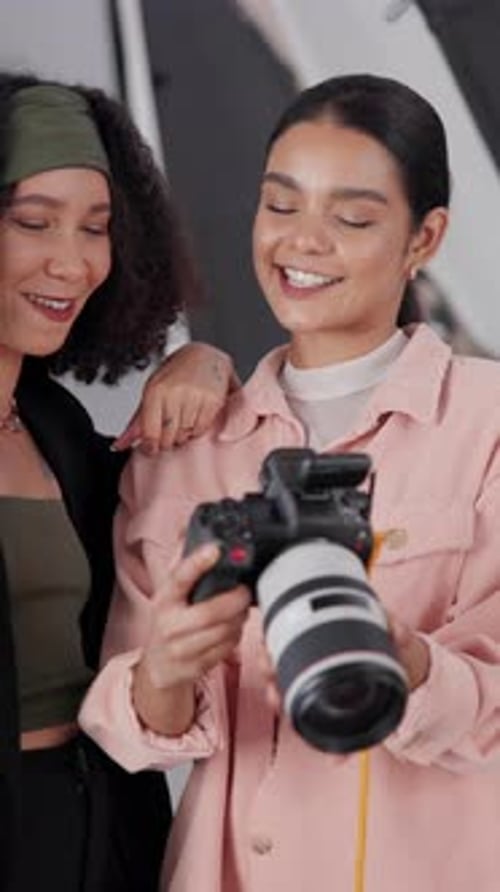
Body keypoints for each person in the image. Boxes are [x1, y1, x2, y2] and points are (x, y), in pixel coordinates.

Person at [81, 74, 500, 892]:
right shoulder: (180, 448)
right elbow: (131, 726)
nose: (302, 242)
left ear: (424, 238)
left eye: (350, 217)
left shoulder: (487, 424)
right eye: (280, 205)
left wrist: (405, 659)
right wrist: (164, 670)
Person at [0, 70, 236, 892]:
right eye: (34, 222)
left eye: (97, 228)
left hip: (107, 835)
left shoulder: (58, 429)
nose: (71, 261)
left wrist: (203, 360)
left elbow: (173, 506)